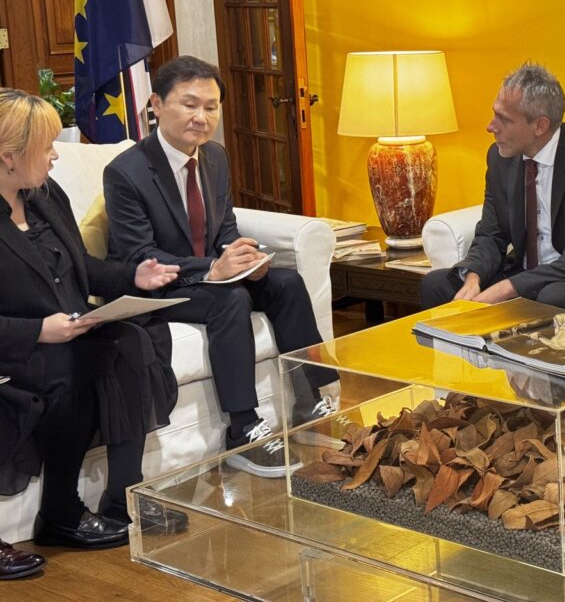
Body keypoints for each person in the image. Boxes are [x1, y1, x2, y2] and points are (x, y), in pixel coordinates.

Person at [103, 56, 336, 479]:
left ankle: (309, 400)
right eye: (190, 104)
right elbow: (140, 255)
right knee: (230, 299)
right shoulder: (125, 173)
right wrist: (214, 268)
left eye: (211, 107)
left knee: (286, 283)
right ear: (157, 104)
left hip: (211, 274)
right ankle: (242, 429)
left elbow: (224, 228)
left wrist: (245, 258)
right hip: (159, 285)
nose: (202, 117)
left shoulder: (214, 157)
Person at [0, 88, 183, 550]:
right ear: (8, 157)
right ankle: (59, 515)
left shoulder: (44, 196)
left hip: (69, 333)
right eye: (45, 146)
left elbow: (81, 266)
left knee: (131, 342)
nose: (55, 155)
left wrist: (132, 276)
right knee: (69, 366)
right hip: (17, 349)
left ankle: (124, 498)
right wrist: (38, 331)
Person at [420, 62, 565, 320]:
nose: (491, 127)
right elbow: (491, 234)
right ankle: (470, 347)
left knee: (551, 299)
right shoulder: (500, 157)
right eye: (495, 114)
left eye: (504, 119)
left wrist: (507, 288)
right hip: (528, 275)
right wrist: (474, 277)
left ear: (540, 126)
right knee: (436, 285)